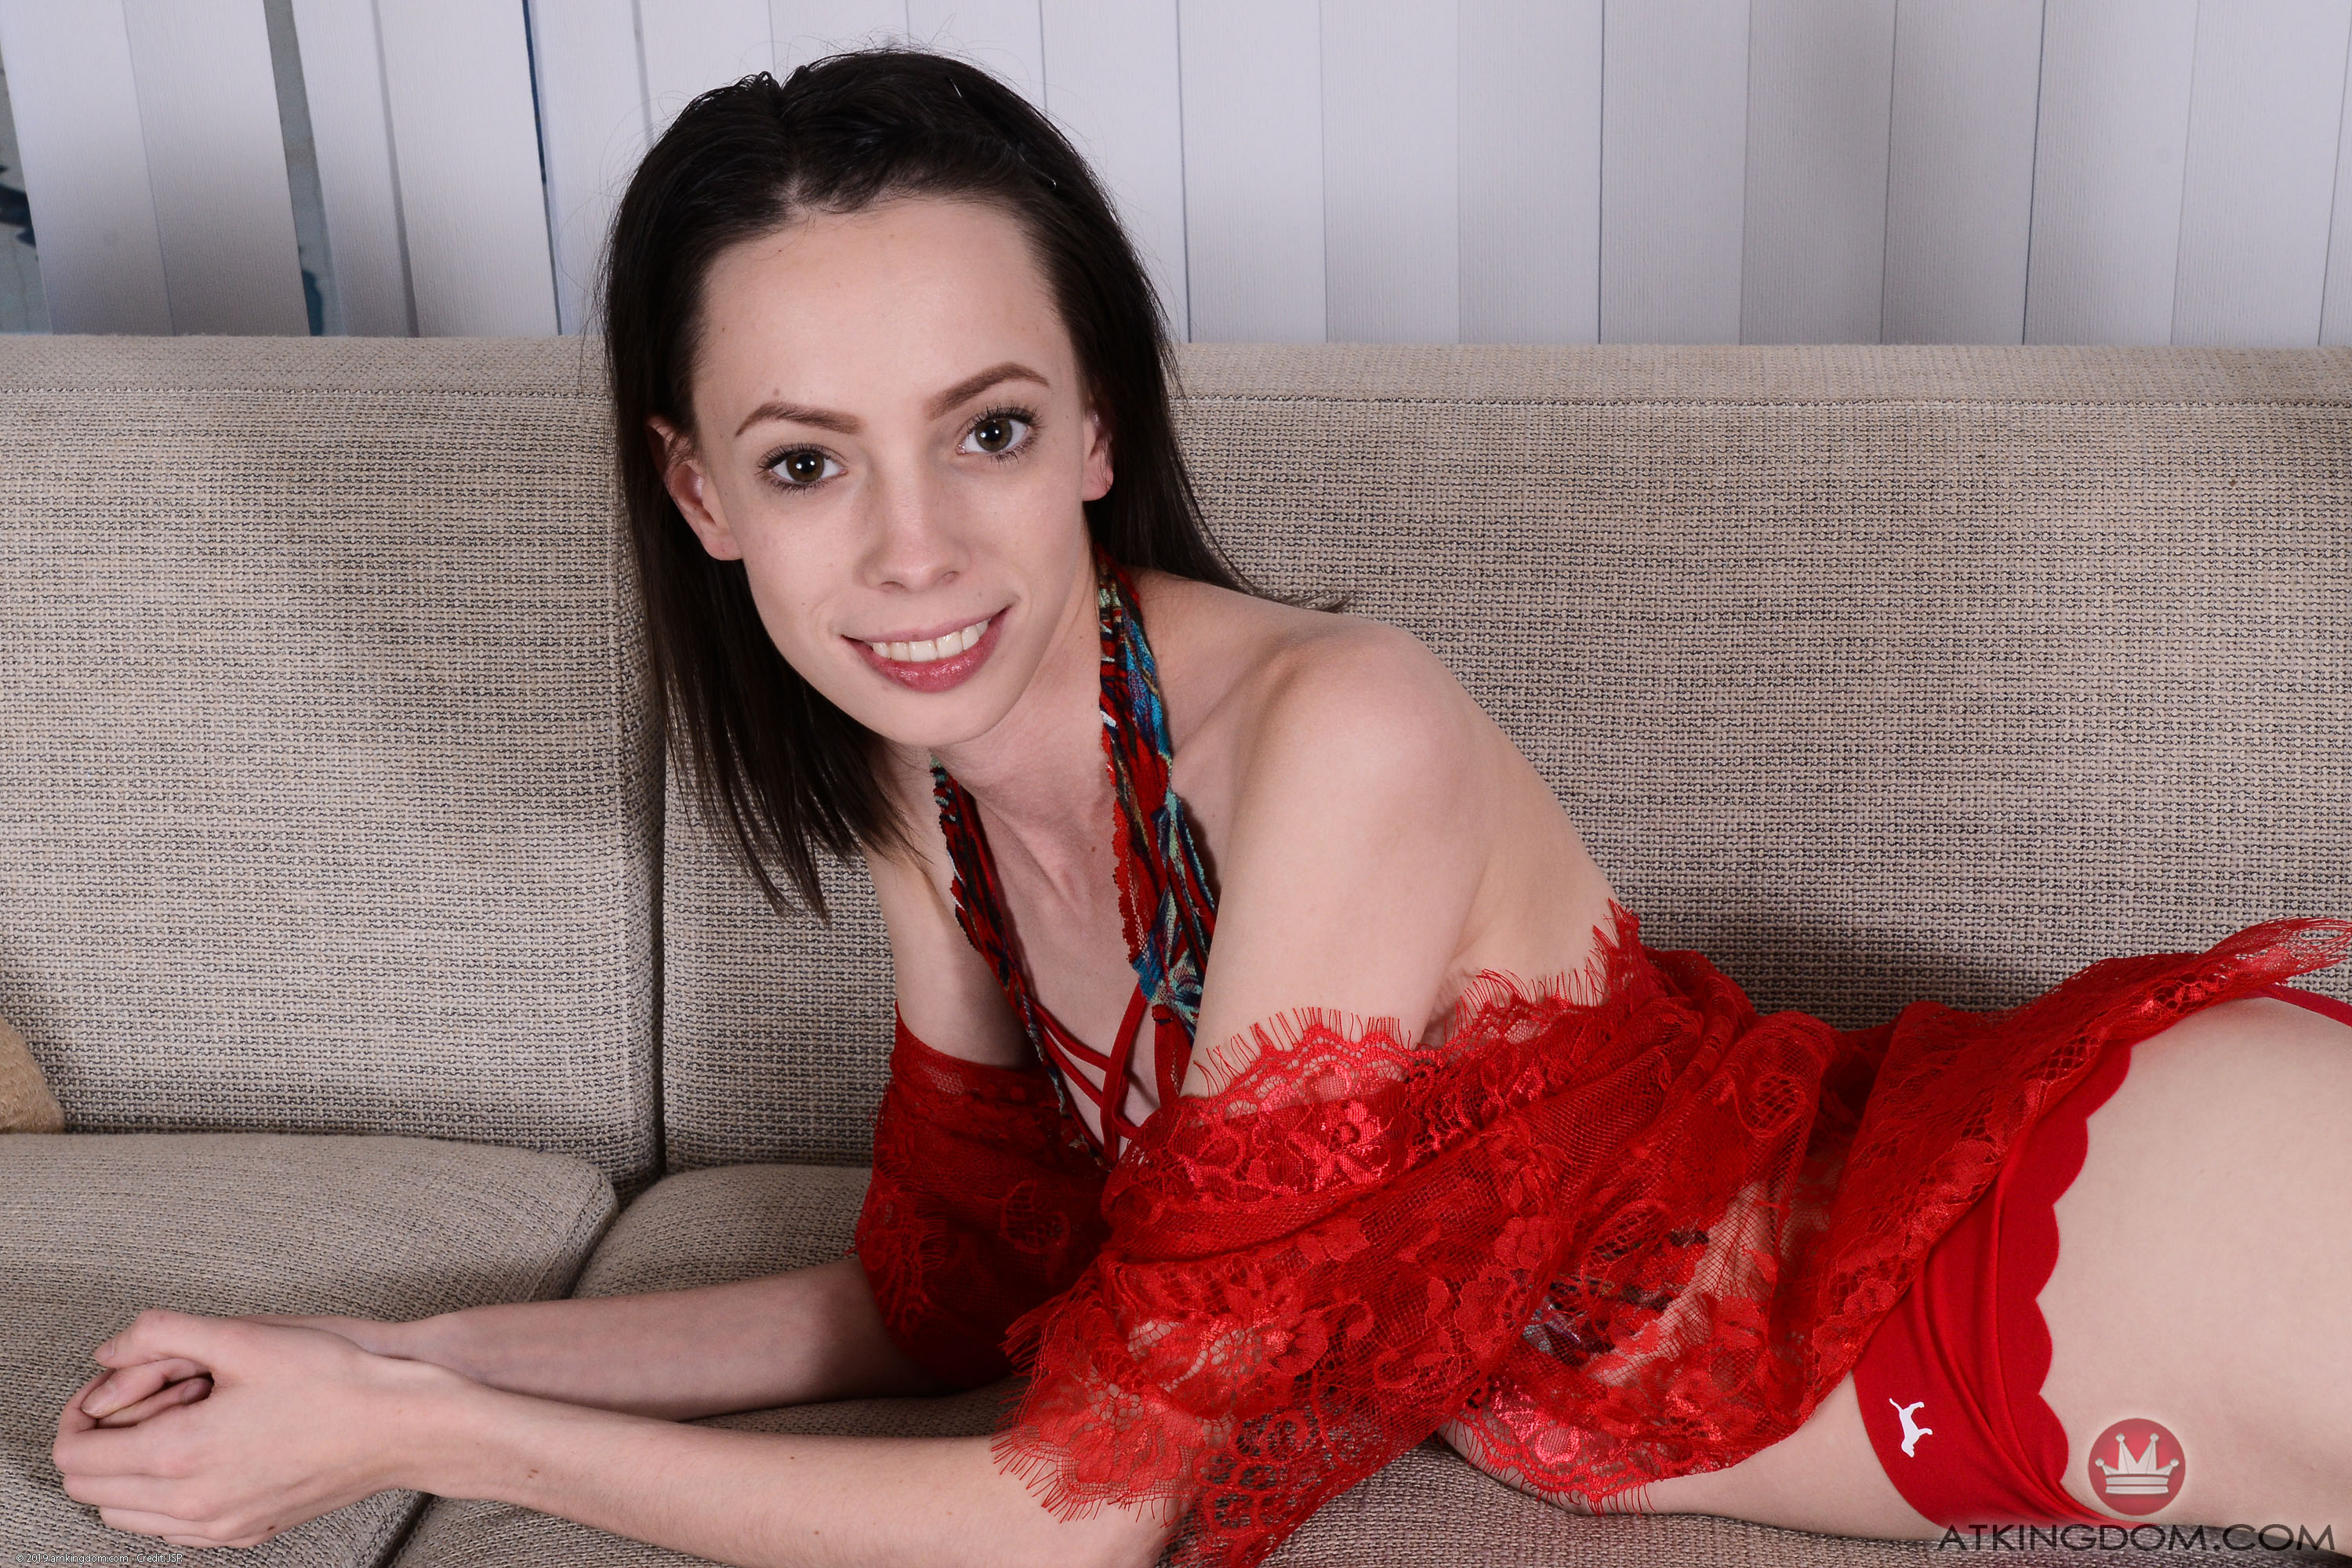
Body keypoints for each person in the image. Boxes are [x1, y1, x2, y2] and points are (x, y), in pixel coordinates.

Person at [52, 46, 2352, 1568]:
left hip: (2111, 1231)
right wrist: (380, 1355)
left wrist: (422, 1442)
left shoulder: (1340, 735)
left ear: (1095, 428)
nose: (916, 553)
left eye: (985, 429)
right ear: (702, 498)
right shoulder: (926, 781)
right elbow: (945, 1298)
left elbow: (1077, 1514)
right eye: (807, 462)